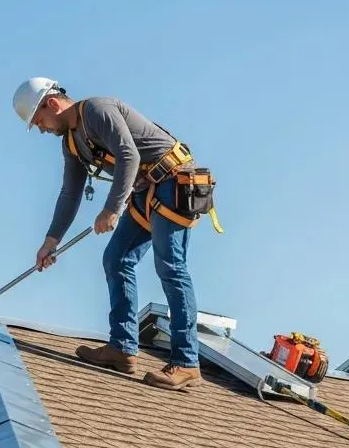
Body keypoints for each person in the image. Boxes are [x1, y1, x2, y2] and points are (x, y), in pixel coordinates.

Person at [13, 77, 208, 390]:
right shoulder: (72, 143)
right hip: (148, 192)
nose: (41, 129)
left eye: (39, 121)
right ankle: (122, 349)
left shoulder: (97, 110)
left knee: (170, 266)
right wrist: (50, 241)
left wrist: (112, 210)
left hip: (174, 182)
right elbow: (70, 193)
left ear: (51, 104)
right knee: (116, 258)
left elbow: (128, 156)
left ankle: (186, 362)